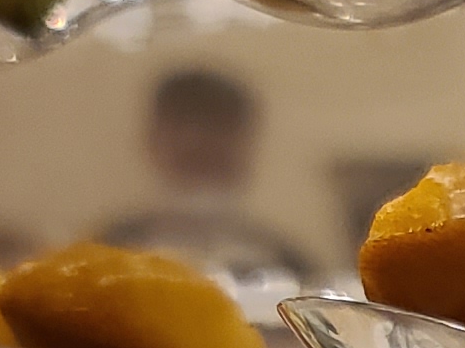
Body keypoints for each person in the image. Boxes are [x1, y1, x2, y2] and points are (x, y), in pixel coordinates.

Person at [97, 66, 312, 281]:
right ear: (152, 138)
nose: (198, 141)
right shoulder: (103, 256)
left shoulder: (291, 266)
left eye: (219, 126)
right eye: (181, 124)